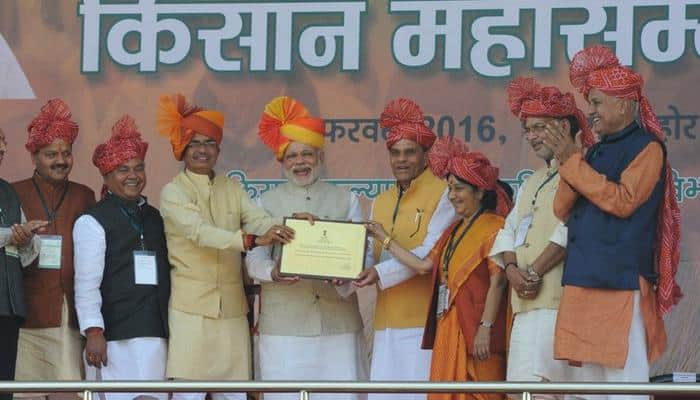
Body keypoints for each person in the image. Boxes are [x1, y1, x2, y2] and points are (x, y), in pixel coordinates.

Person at [543, 45, 679, 400]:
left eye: (598, 103)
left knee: (624, 388)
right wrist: (568, 161)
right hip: (583, 283)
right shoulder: (595, 151)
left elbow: (623, 202)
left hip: (621, 285)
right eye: (590, 104)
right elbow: (561, 209)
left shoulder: (648, 149)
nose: (591, 113)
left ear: (624, 104)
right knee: (587, 391)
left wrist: (574, 164)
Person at [157, 93, 295, 400]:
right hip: (191, 311)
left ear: (218, 151)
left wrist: (288, 226)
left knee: (233, 395)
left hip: (232, 311)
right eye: (194, 143)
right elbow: (199, 232)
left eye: (209, 144)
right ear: (182, 149)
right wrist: (248, 241)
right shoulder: (173, 192)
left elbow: (256, 218)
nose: (202, 150)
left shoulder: (231, 187)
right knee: (187, 395)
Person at [366, 138, 512, 400]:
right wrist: (385, 239)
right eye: (451, 189)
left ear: (479, 192)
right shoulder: (453, 230)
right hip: (449, 327)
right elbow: (423, 264)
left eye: (459, 189)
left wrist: (485, 328)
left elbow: (498, 282)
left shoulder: (494, 227)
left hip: (477, 332)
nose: (452, 196)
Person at [245, 96, 366, 400]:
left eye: (307, 154)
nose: (300, 162)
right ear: (282, 161)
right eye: (292, 156)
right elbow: (253, 259)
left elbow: (362, 254)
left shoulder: (346, 199)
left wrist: (347, 275)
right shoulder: (263, 203)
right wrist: (273, 271)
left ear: (320, 156)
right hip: (284, 326)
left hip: (338, 325)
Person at [488, 77, 596, 399]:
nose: (532, 137)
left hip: (560, 303)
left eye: (539, 128)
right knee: (525, 392)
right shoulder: (532, 180)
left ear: (563, 127)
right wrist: (511, 272)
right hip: (525, 305)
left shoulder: (582, 169)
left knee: (555, 391)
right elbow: (507, 231)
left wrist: (532, 272)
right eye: (528, 131)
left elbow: (572, 227)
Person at [354, 98, 456, 400]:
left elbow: (427, 255)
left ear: (425, 155)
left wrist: (377, 270)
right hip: (385, 322)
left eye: (410, 152)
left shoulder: (444, 194)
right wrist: (343, 272)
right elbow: (369, 255)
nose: (401, 159)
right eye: (395, 153)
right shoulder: (381, 201)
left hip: (422, 325)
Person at [73, 115, 170, 400]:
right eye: (122, 169)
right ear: (106, 177)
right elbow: (86, 283)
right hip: (113, 338)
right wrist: (93, 331)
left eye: (139, 168)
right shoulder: (92, 221)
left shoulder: (153, 217)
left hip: (155, 333)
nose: (133, 175)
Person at [12, 99, 95, 393]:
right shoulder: (13, 193)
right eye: (50, 154)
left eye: (66, 153)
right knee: (24, 394)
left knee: (68, 394)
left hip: (69, 317)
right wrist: (18, 240)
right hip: (26, 318)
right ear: (33, 156)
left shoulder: (85, 196)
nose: (61, 160)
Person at [0, 127, 46, 400]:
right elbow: (9, 235)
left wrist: (26, 237)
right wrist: (12, 235)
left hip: (9, 306)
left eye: (1, 153)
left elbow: (27, 253)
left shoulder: (7, 191)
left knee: (4, 387)